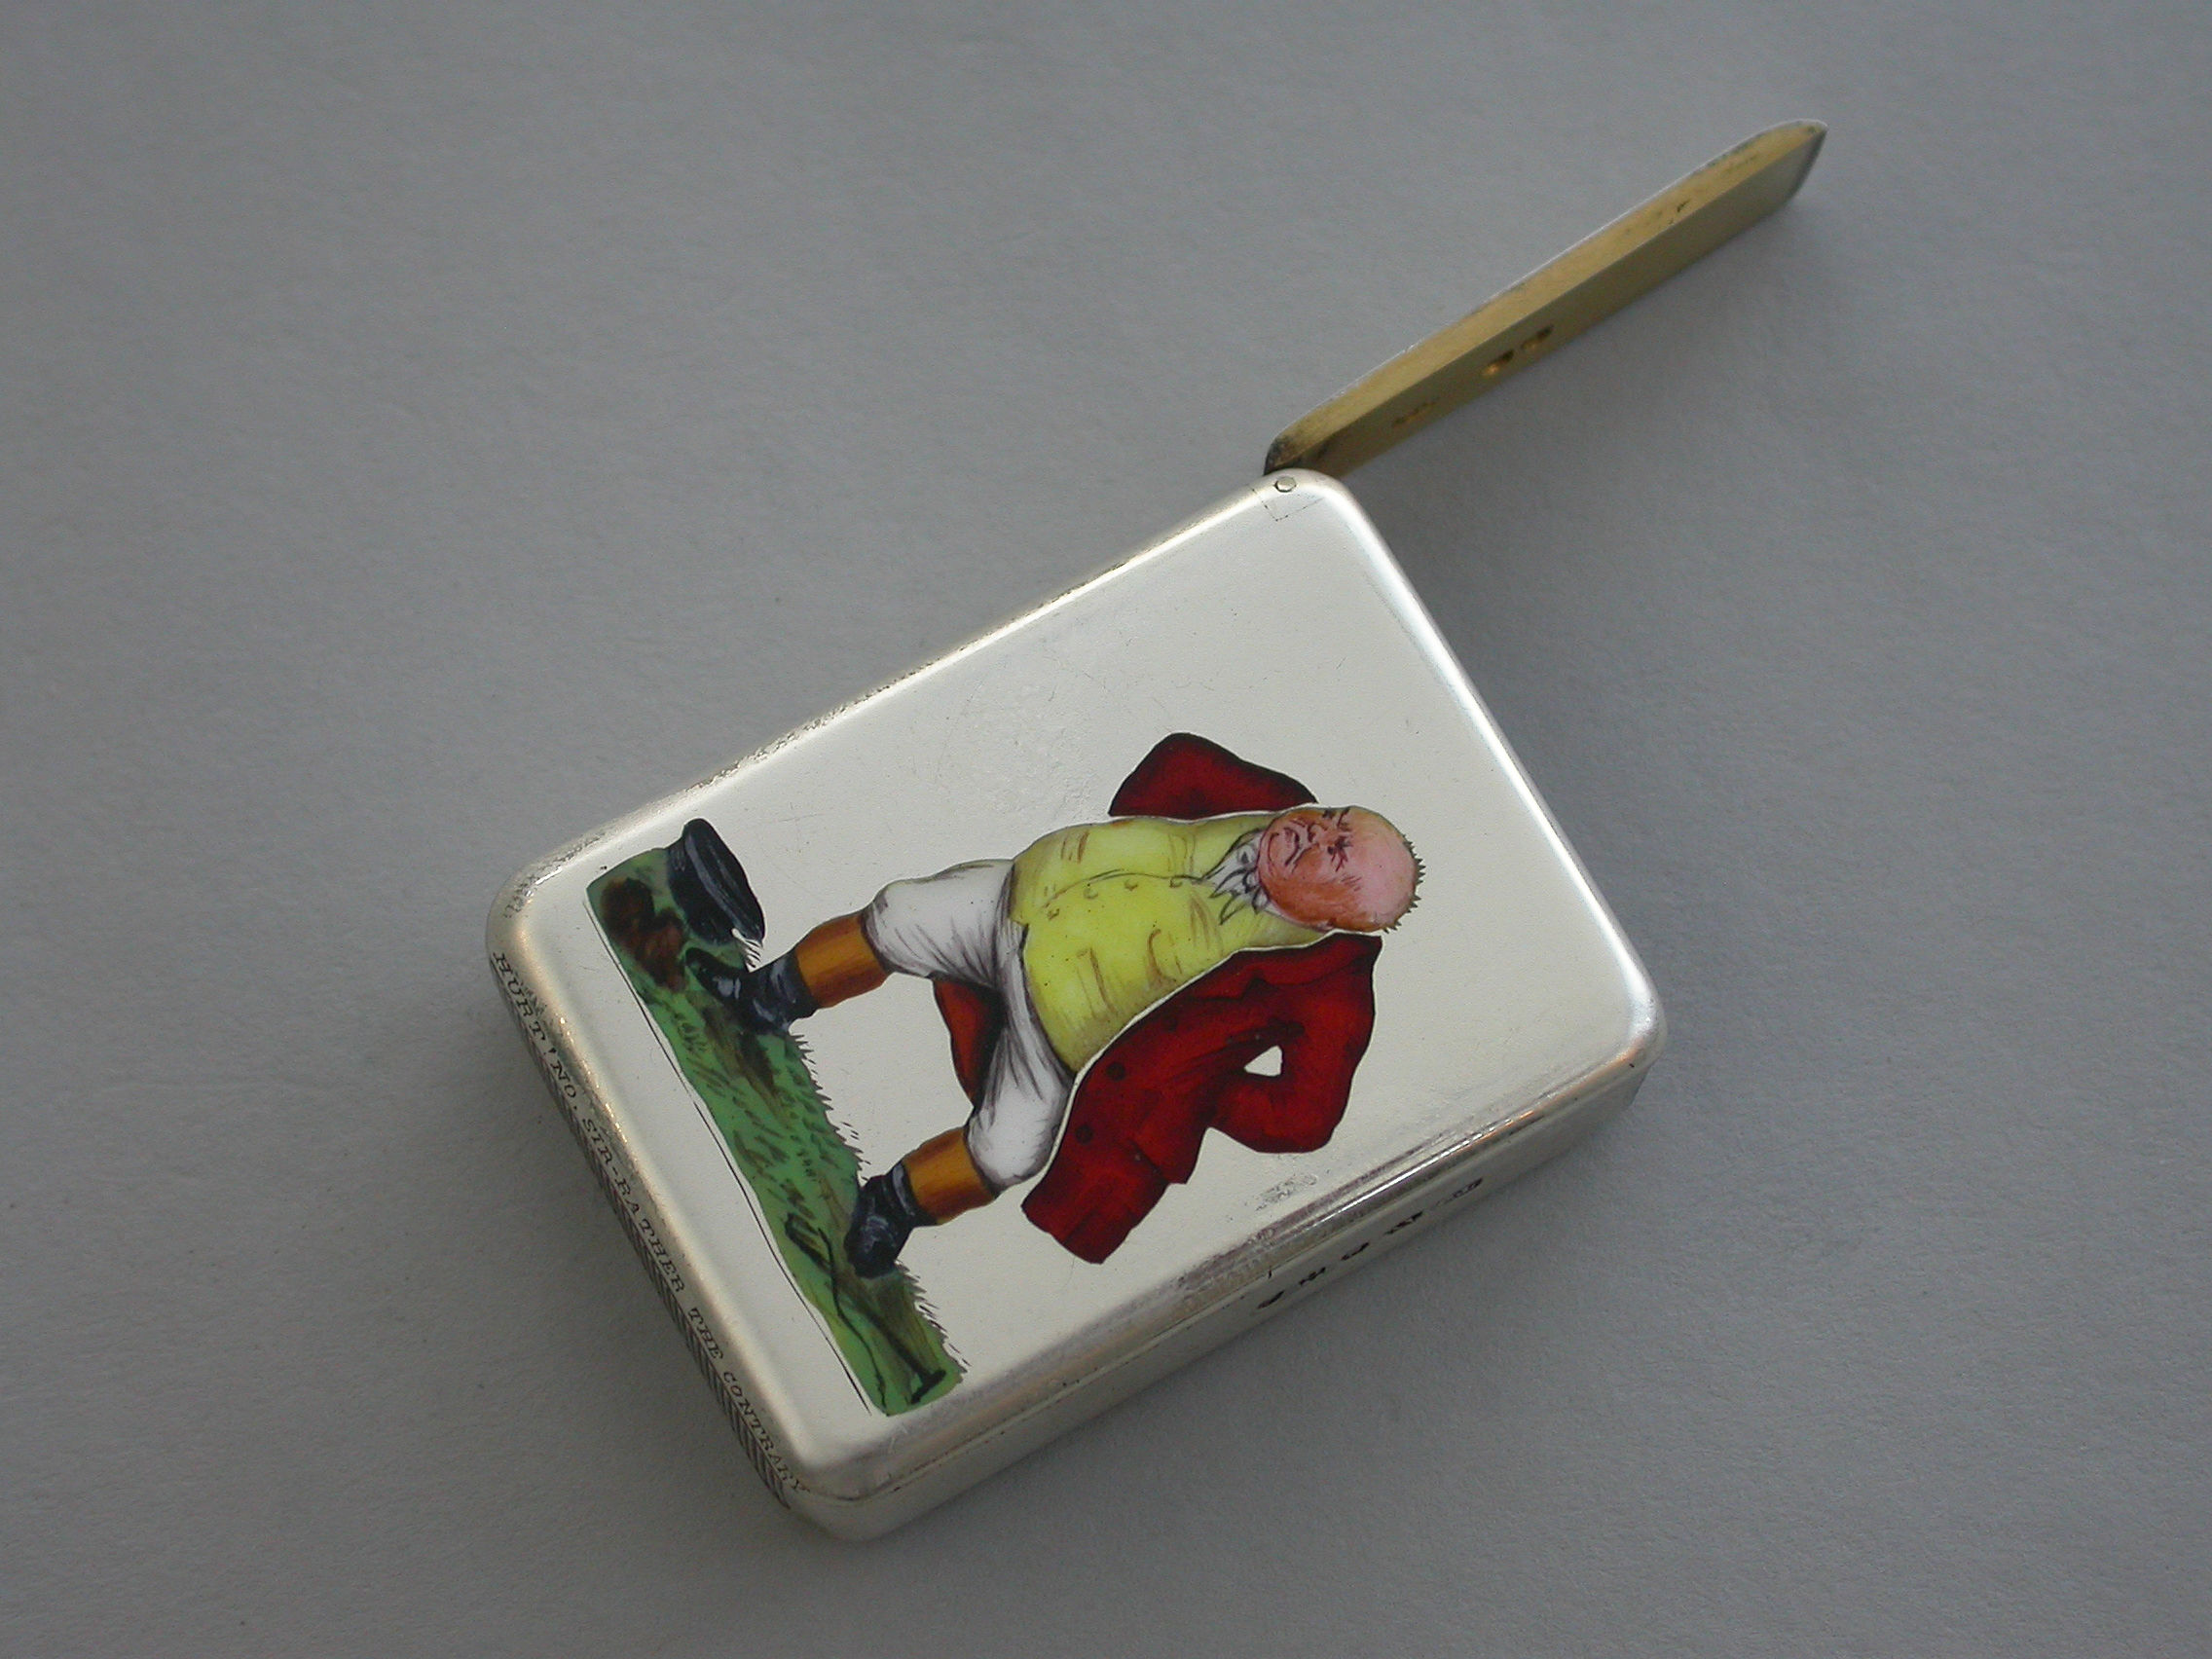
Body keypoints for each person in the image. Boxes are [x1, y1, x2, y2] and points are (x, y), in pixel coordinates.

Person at [675, 802, 1419, 1276]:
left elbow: (1304, 1113)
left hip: (1060, 1021)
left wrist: (1195, 1096)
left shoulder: (1305, 976)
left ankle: (893, 1206)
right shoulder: (1243, 813)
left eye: (1335, 853)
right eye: (1330, 819)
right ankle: (764, 999)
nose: (1314, 832)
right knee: (899, 915)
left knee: (1009, 1151)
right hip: (1020, 901)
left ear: (1333, 920)